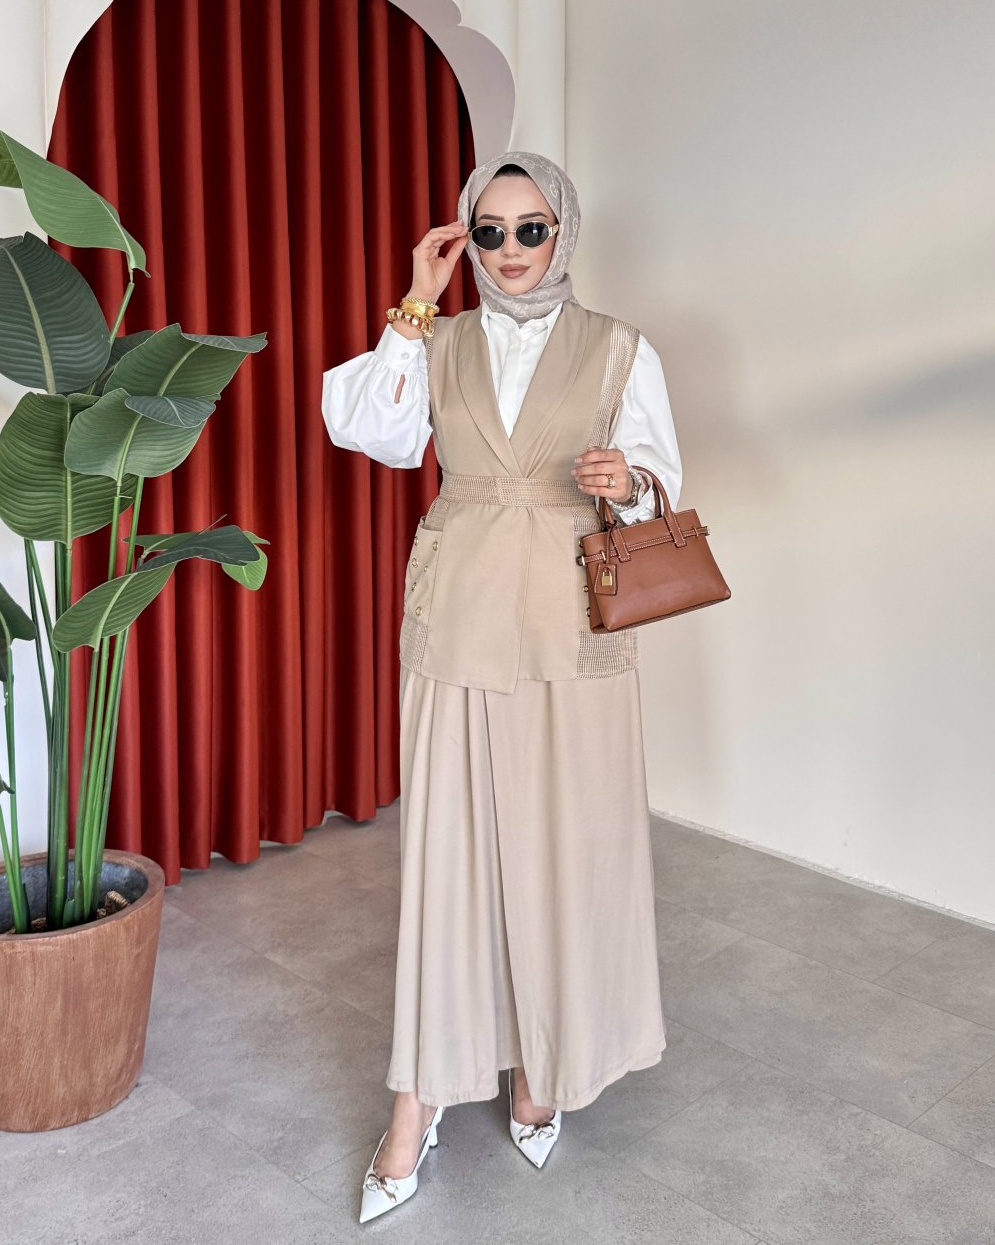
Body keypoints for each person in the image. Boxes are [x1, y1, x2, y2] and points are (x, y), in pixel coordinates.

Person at [321, 151, 682, 1224]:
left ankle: (543, 1069)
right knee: (451, 856)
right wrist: (414, 304)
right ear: (465, 241)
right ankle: (418, 1098)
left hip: (573, 622)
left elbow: (664, 481)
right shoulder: (438, 338)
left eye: (531, 229)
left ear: (563, 231)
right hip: (460, 615)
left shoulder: (619, 346)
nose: (512, 250)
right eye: (490, 231)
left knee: (568, 850)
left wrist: (630, 480)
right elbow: (372, 433)